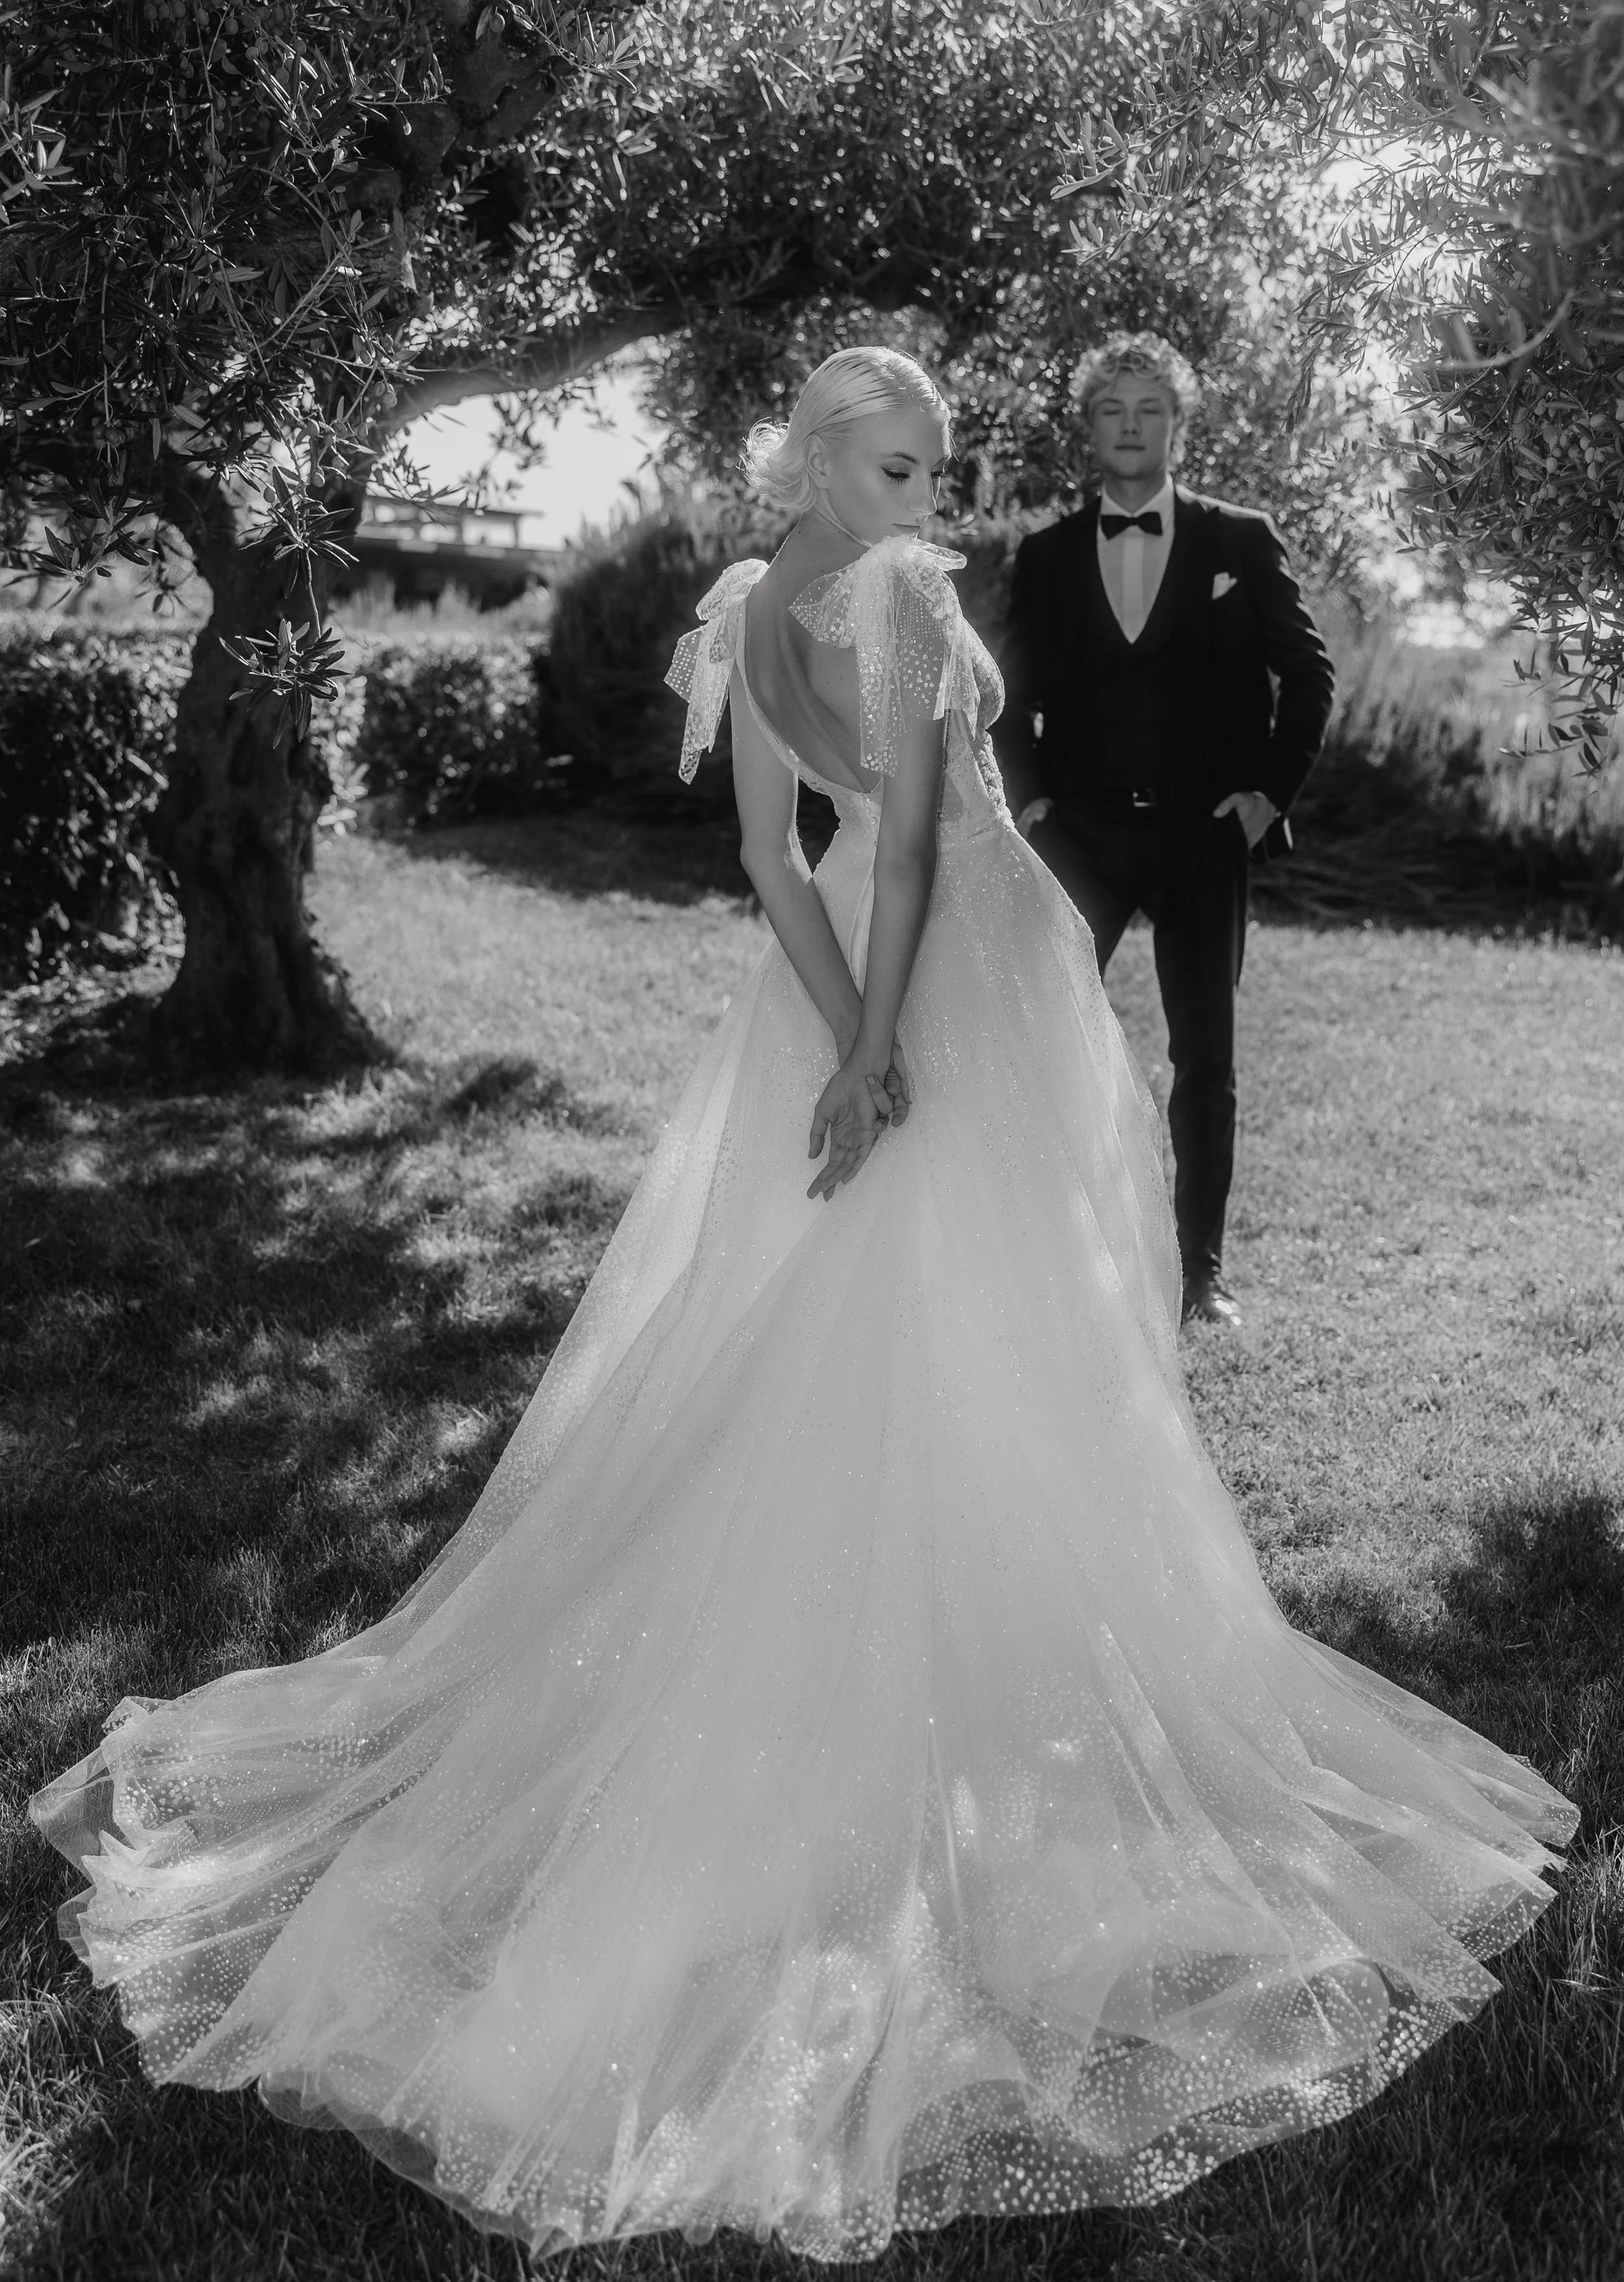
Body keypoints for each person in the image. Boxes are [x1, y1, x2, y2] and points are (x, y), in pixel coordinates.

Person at [32, 348, 1574, 2264]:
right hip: (951, 976)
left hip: (824, 982)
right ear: (830, 461)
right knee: (986, 1308)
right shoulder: (903, 594)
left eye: (935, 465)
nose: (929, 494)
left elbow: (773, 852)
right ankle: (947, 1652)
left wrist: (825, 1017)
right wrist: (873, 1046)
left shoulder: (736, 604)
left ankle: (873, 1599)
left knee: (822, 1311)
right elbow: (916, 840)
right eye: (901, 460)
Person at [996, 333, 1336, 1329]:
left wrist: (1268, 796)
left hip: (1204, 834)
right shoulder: (1050, 555)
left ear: (1178, 423)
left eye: (1151, 408)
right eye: (1114, 409)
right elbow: (1006, 694)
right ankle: (1048, 1246)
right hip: (1082, 836)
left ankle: (1200, 1273)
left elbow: (1309, 675)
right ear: (1091, 427)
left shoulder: (1241, 539)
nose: (1133, 425)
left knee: (1208, 1059)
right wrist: (1028, 799)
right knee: (1043, 1037)